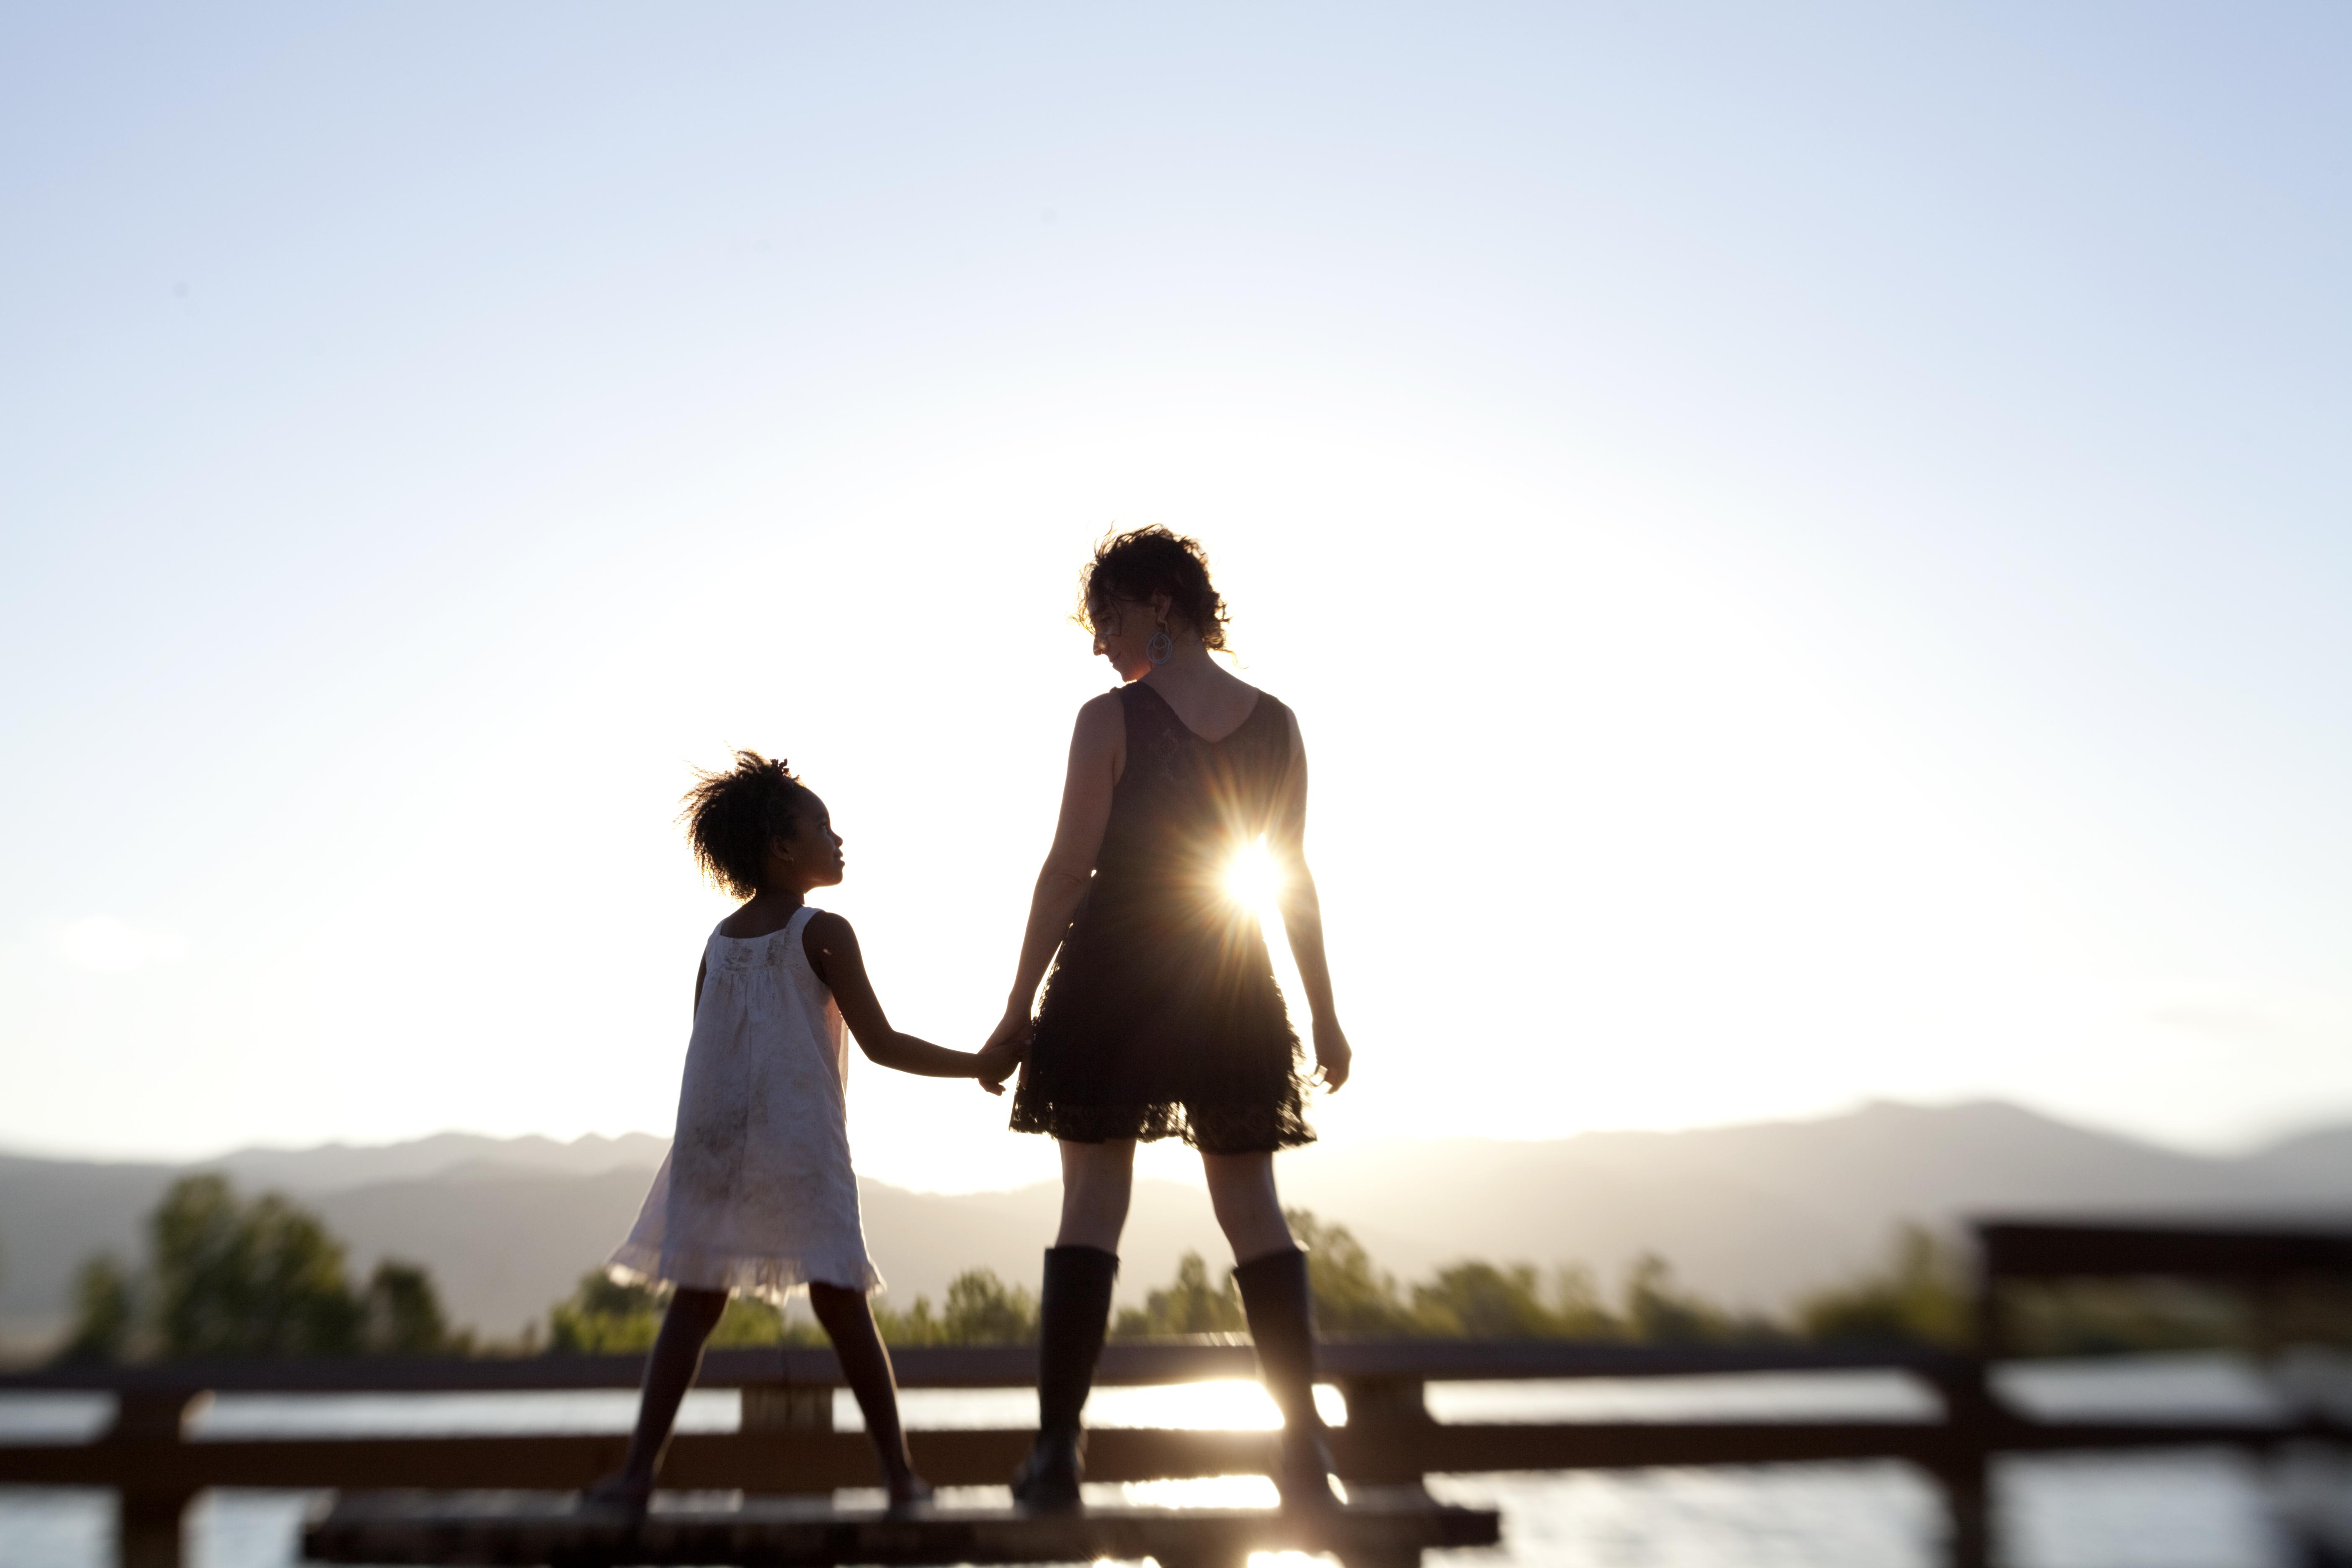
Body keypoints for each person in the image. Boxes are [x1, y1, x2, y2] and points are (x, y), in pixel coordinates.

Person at [985, 527, 1354, 1510]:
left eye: (1105, 618)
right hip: (1228, 980)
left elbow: (1067, 875)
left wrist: (1016, 1006)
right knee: (1255, 1210)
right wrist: (1325, 1014)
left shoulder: (1108, 721)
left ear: (1160, 604)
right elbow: (1291, 878)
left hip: (1112, 977)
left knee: (1091, 1204)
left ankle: (1056, 1459)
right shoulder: (1279, 726)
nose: (1098, 643)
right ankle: (1304, 1456)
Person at [586, 751, 1020, 1514]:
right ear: (782, 848)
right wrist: (979, 1064)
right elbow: (881, 1044)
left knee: (695, 1305)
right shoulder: (824, 933)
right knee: (842, 1301)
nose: (838, 837)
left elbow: (704, 1052)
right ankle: (900, 1480)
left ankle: (635, 1479)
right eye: (822, 825)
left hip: (712, 1146)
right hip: (798, 1143)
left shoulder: (717, 944)